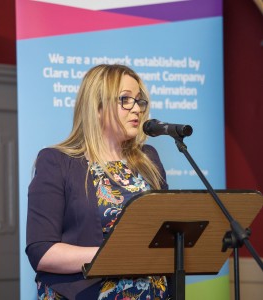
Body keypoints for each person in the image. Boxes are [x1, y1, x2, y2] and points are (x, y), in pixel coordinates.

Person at [26, 64, 170, 300]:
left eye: (139, 101)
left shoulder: (148, 159)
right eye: (125, 99)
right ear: (97, 107)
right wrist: (114, 255)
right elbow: (41, 251)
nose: (137, 109)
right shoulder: (57, 162)